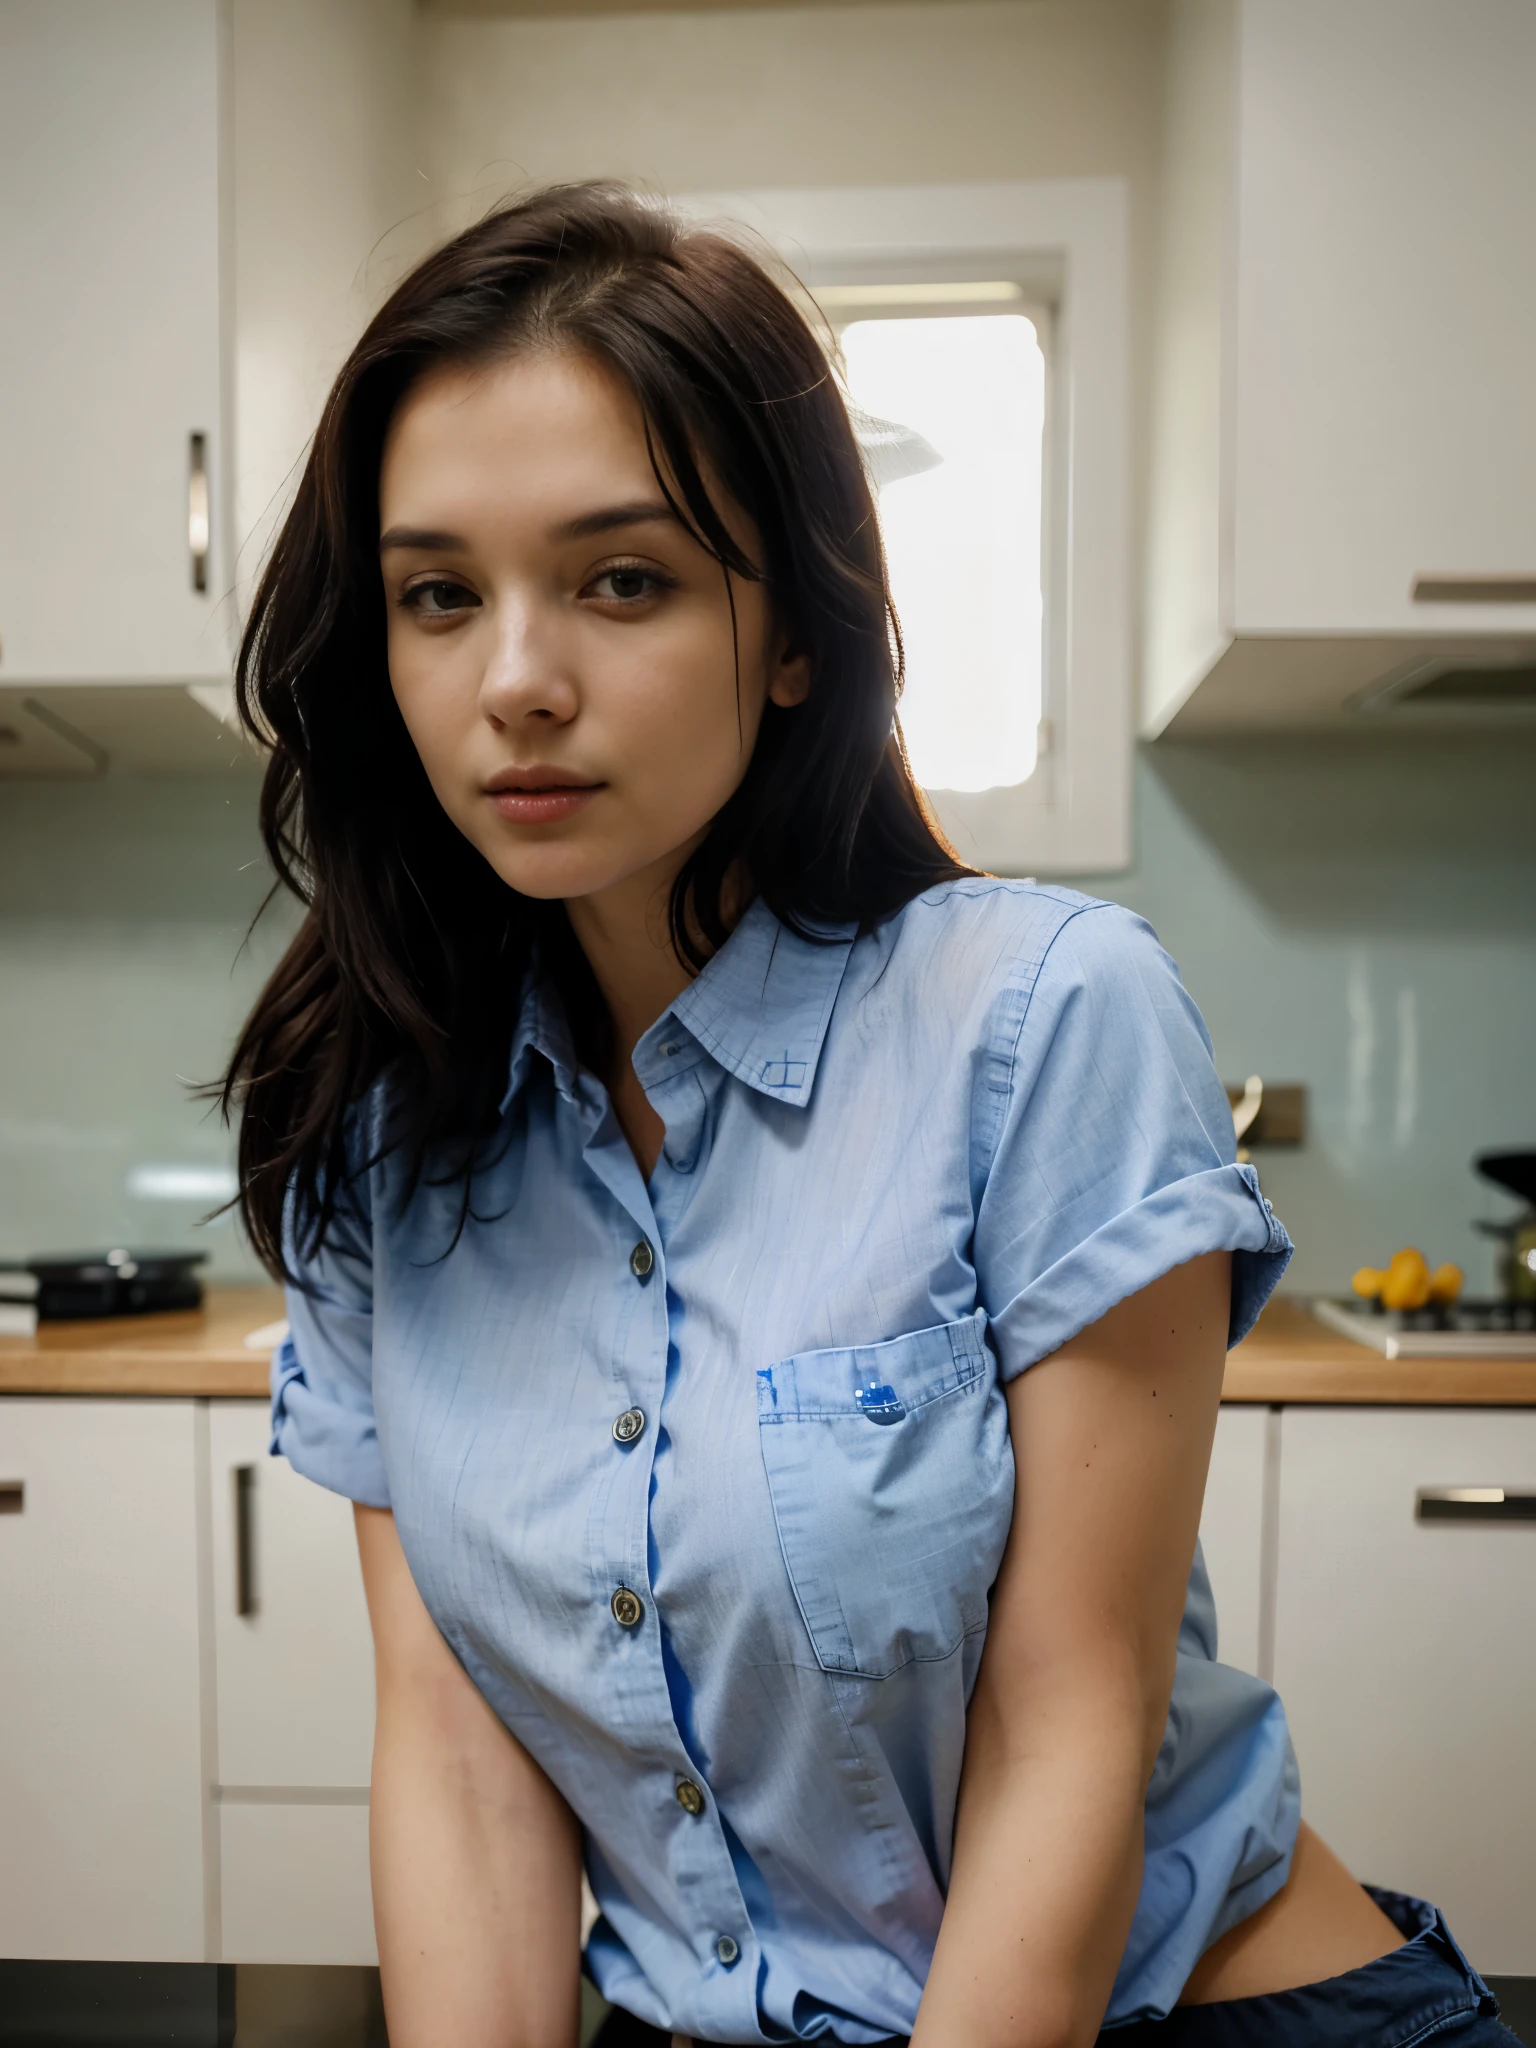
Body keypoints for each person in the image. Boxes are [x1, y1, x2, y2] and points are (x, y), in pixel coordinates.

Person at [222, 184, 1519, 2048]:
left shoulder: (1043, 1015)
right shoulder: (380, 1134)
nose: (515, 678)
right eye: (441, 594)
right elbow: (457, 1763)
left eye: (623, 578)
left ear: (795, 636)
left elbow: (1067, 1734)